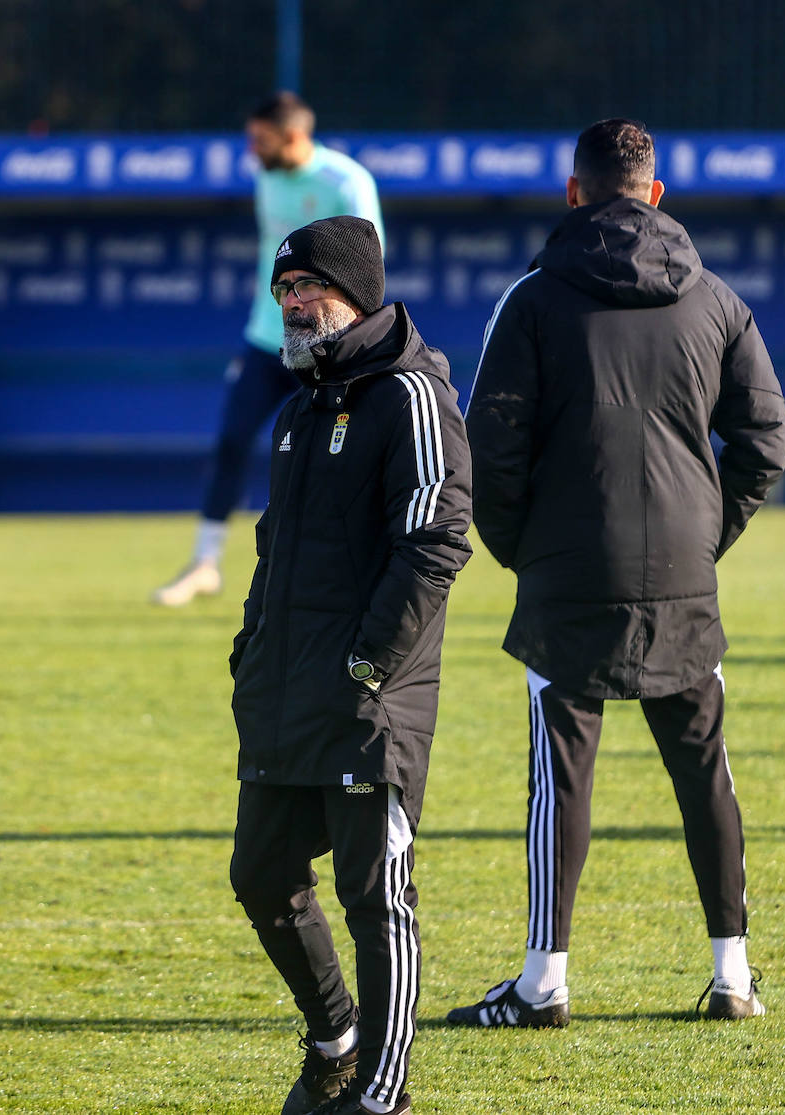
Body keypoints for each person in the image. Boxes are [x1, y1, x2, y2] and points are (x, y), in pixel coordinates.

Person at [446, 119, 785, 1029]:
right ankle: (734, 976)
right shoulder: (715, 297)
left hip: (568, 567)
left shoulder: (531, 298)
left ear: (573, 193)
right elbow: (768, 441)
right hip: (684, 569)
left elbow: (488, 448)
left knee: (559, 777)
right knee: (705, 772)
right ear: (656, 193)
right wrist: (705, 535)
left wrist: (528, 549)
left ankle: (543, 984)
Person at [228, 216, 472, 1115]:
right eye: (284, 290)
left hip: (372, 699)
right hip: (287, 691)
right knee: (260, 872)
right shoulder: (301, 408)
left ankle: (382, 1093)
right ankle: (335, 1038)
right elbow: (273, 549)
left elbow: (440, 538)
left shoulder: (409, 392)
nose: (294, 303)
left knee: (375, 898)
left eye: (309, 288)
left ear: (357, 291)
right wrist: (250, 653)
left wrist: (371, 660)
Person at [151, 92, 383, 606]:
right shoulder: (266, 178)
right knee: (231, 441)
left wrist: (353, 342)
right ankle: (204, 564)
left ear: (294, 136)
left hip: (328, 344)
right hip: (265, 337)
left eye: (260, 139)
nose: (251, 149)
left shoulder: (347, 183)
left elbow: (370, 267)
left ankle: (351, 564)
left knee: (340, 455)